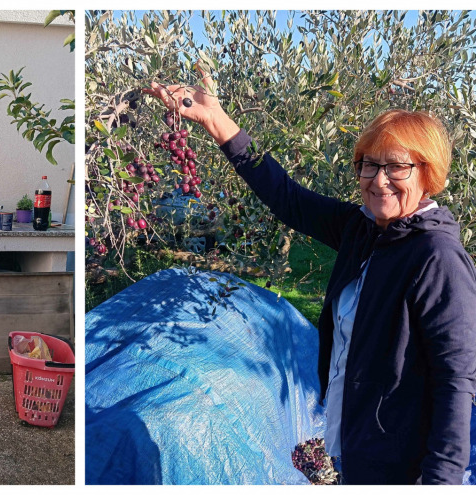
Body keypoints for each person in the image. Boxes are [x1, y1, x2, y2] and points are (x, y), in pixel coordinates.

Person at [144, 73, 476, 484]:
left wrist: (440, 482)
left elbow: (456, 379)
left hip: (402, 469)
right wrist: (217, 121)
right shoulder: (364, 229)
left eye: (397, 166)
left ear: (428, 173)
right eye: (369, 164)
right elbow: (288, 198)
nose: (379, 179)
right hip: (356, 448)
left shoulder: (436, 257)